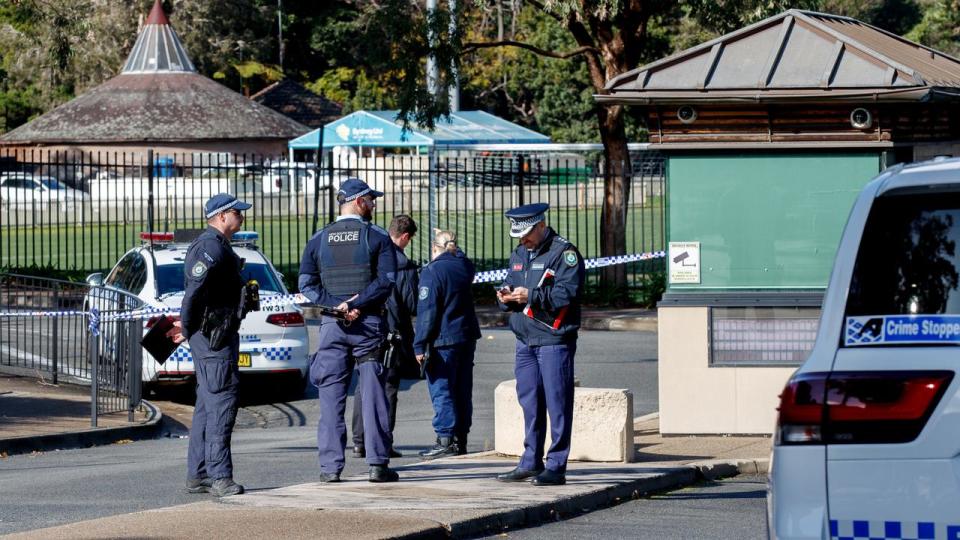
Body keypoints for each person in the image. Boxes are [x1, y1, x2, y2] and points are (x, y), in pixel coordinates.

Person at [298, 178, 400, 483]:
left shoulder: (318, 239)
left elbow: (306, 285)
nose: (374, 204)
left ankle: (330, 469)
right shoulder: (377, 237)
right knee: (372, 395)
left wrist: (337, 305)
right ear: (359, 202)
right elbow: (387, 281)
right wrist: (357, 303)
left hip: (332, 325)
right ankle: (377, 464)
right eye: (371, 199)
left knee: (330, 397)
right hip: (367, 324)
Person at [495, 203, 585, 486]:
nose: (522, 240)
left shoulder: (564, 253)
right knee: (530, 402)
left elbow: (566, 294)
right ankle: (530, 461)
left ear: (541, 226)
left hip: (553, 339)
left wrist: (530, 296)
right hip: (525, 339)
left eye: (527, 234)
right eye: (519, 235)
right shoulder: (520, 253)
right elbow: (511, 282)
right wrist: (505, 297)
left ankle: (556, 465)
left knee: (558, 403)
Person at [169, 193, 252, 497]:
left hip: (217, 333)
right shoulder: (210, 247)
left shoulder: (219, 246)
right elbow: (194, 293)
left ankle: (199, 473)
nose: (241, 218)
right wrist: (187, 327)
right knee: (221, 404)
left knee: (207, 404)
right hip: (213, 337)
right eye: (237, 213)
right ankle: (220, 476)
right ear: (221, 217)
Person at [351, 214, 419, 459]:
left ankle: (359, 440)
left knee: (364, 383)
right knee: (389, 386)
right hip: (393, 333)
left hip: (366, 327)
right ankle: (382, 441)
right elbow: (411, 304)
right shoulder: (404, 265)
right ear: (405, 237)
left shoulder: (372, 256)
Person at [413, 229, 481, 459]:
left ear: (434, 248)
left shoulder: (432, 271)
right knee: (462, 389)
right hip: (465, 336)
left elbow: (427, 312)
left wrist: (419, 344)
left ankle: (445, 439)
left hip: (442, 340)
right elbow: (461, 257)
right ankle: (460, 439)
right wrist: (451, 241)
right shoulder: (464, 266)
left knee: (442, 389)